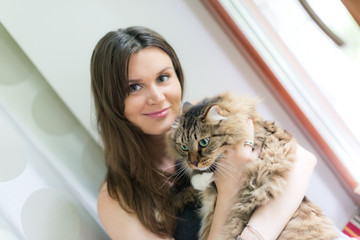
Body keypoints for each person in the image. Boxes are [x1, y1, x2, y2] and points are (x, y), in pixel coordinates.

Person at [91, 26, 317, 240]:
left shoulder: (207, 116)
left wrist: (253, 235)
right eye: (134, 87)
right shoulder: (116, 198)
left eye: (163, 78)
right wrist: (229, 192)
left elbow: (302, 160)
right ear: (111, 100)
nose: (158, 97)